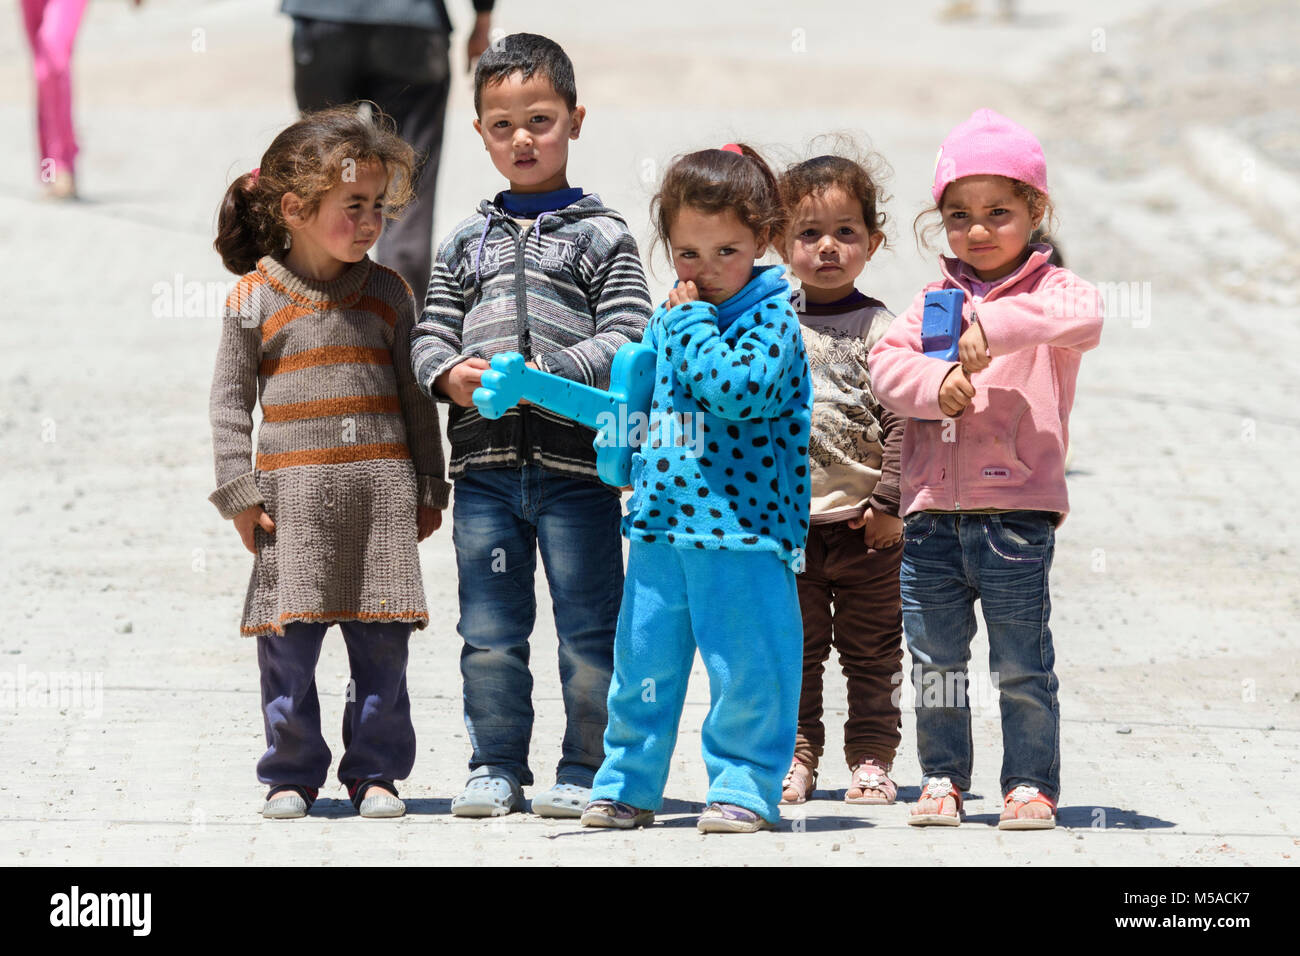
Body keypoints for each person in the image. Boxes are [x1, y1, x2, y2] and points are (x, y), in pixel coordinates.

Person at [410, 34, 652, 819]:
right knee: (488, 632)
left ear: (575, 121)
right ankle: (495, 764)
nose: (523, 138)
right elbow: (429, 336)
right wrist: (450, 375)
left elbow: (629, 339)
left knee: (588, 633)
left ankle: (586, 766)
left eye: (541, 120)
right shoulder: (462, 245)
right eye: (503, 124)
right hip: (482, 475)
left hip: (578, 474)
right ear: (478, 131)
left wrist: (548, 380)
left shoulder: (603, 236)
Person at [210, 105, 450, 820]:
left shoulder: (389, 295)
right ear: (297, 208)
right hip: (292, 507)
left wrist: (430, 484)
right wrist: (238, 491)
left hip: (379, 505)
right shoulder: (255, 298)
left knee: (384, 651)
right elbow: (229, 404)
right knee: (288, 651)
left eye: (379, 206)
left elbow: (414, 400)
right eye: (354, 206)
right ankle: (291, 774)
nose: (371, 221)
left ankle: (376, 772)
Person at [868, 109, 1103, 830]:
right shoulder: (935, 302)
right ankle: (942, 778)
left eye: (999, 212)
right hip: (933, 511)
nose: (978, 230)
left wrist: (992, 328)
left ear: (1036, 210)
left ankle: (1030, 784)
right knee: (935, 666)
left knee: (1020, 663)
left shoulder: (1052, 292)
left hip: (1017, 515)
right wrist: (934, 388)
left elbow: (1085, 317)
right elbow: (885, 365)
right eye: (960, 215)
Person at [581, 143, 812, 834]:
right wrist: (618, 449)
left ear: (764, 240)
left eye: (727, 253)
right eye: (688, 254)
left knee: (748, 668)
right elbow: (640, 394)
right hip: (660, 526)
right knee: (641, 667)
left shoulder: (771, 322)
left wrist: (687, 322)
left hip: (743, 529)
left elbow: (734, 391)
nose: (706, 272)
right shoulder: (672, 313)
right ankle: (628, 782)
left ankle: (743, 784)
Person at [775, 151, 905, 807]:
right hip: (788, 532)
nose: (828, 247)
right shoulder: (769, 326)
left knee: (873, 656)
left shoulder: (884, 332)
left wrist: (888, 505)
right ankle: (796, 756)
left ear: (873, 243)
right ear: (778, 240)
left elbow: (908, 423)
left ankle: (872, 759)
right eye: (809, 233)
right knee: (793, 656)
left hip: (867, 533)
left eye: (846, 232)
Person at [282, 0, 495, 296]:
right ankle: (401, 322)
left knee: (324, 171)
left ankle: (317, 314)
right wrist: (483, 16)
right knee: (408, 180)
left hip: (324, 17)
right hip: (411, 24)